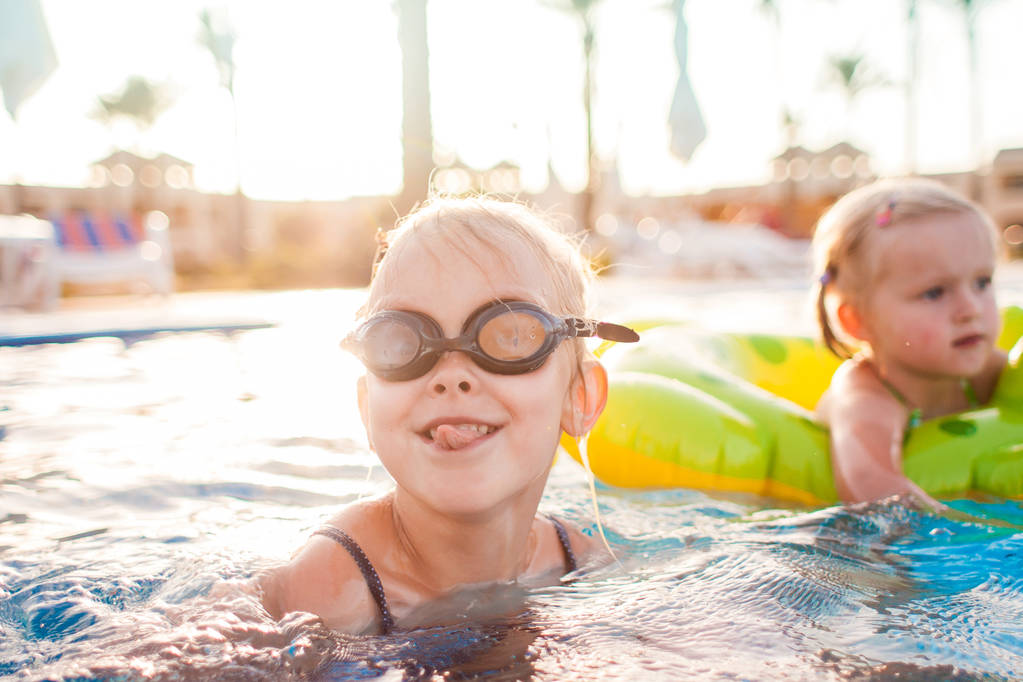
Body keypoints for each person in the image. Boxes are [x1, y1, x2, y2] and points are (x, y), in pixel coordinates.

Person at [257, 196, 638, 634]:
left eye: (511, 335)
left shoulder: (582, 555)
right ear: (367, 409)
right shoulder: (330, 589)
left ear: (580, 398)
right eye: (401, 342)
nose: (451, 376)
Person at [812, 177, 1006, 508]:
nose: (971, 309)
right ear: (857, 321)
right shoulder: (866, 395)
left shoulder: (988, 370)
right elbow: (870, 489)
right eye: (934, 292)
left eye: (982, 282)